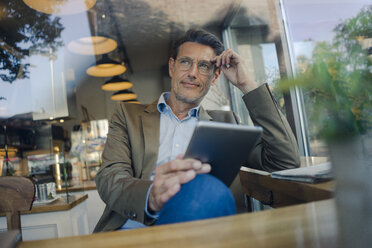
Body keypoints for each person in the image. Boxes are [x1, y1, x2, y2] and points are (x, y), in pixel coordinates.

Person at [93, 29, 300, 232]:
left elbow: (285, 162)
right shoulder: (128, 116)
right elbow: (110, 177)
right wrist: (152, 196)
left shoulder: (227, 123)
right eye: (185, 62)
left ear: (215, 76)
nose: (192, 73)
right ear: (172, 67)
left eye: (204, 66)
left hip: (202, 228)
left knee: (206, 188)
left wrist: (247, 85)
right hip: (134, 229)